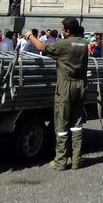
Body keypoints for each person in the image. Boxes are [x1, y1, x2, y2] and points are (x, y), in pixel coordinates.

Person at [23, 17, 88, 170]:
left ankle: (60, 161)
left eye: (62, 28)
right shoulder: (84, 43)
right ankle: (76, 160)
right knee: (77, 125)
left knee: (61, 123)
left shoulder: (63, 44)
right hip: (81, 86)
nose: (61, 31)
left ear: (67, 30)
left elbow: (41, 47)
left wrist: (29, 35)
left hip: (66, 86)